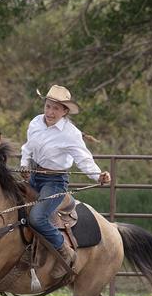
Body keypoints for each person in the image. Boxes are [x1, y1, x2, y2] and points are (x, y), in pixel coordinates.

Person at [21, 85, 111, 277]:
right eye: (47, 106)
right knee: (12, 206)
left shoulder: (70, 133)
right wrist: (24, 165)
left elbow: (84, 159)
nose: (50, 112)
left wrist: (98, 175)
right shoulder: (35, 123)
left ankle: (65, 252)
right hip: (34, 175)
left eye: (55, 108)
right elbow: (27, 148)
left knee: (37, 217)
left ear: (64, 111)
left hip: (55, 181)